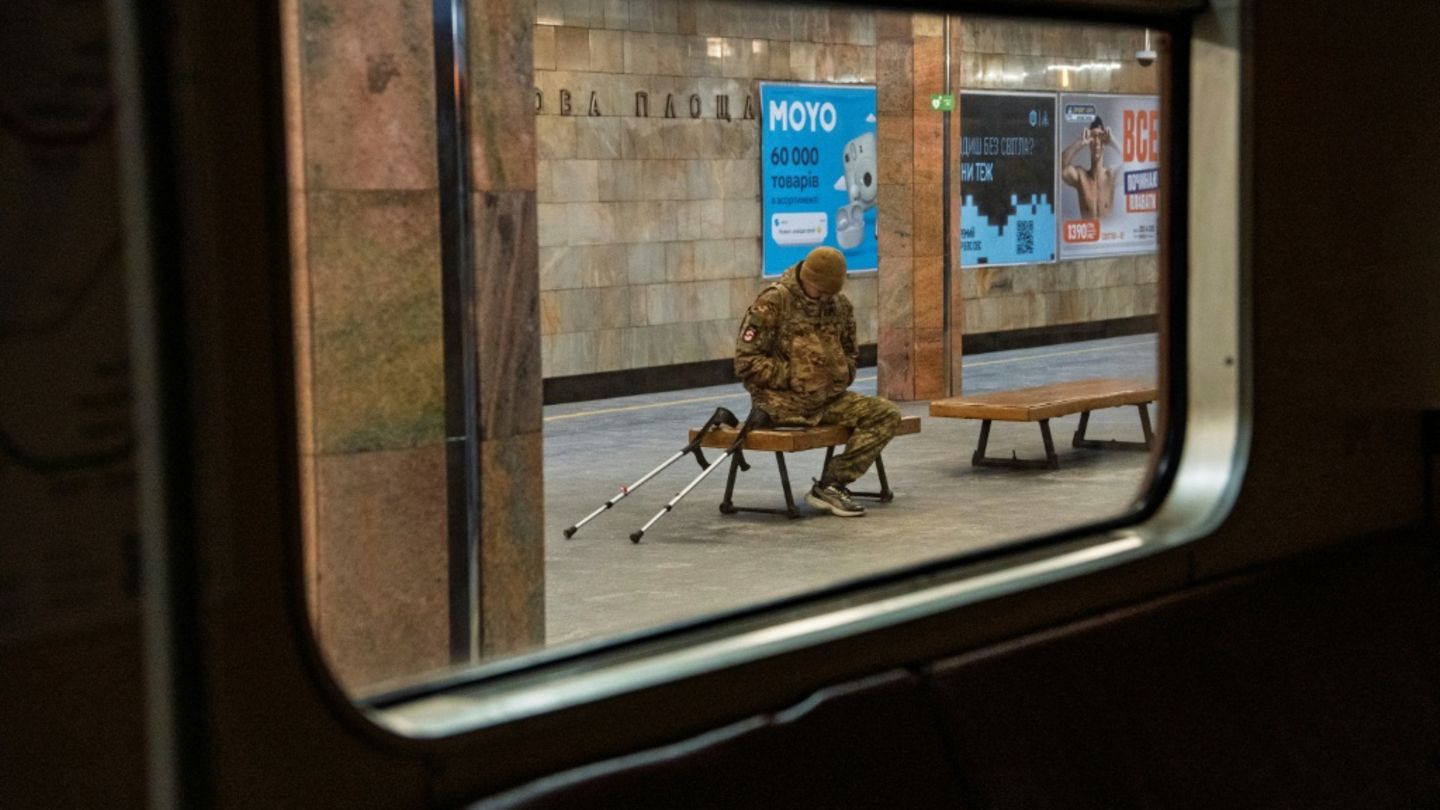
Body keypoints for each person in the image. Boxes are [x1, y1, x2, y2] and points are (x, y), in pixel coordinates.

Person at [735, 246, 901, 517]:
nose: (824, 298)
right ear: (806, 280)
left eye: (830, 294)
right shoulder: (774, 303)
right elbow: (745, 362)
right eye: (819, 292)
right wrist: (793, 374)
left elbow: (850, 351)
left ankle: (832, 484)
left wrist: (842, 373)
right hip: (784, 405)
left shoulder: (839, 305)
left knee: (886, 413)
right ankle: (830, 487)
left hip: (828, 399)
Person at [1061, 117, 1119, 219]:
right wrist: (1080, 142)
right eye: (1093, 136)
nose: (1097, 142)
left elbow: (1134, 167)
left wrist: (1112, 141)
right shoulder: (1080, 177)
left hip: (1108, 233)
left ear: (1104, 142)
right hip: (1088, 234)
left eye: (1100, 136)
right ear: (1089, 143)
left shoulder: (1111, 176)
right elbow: (1059, 165)